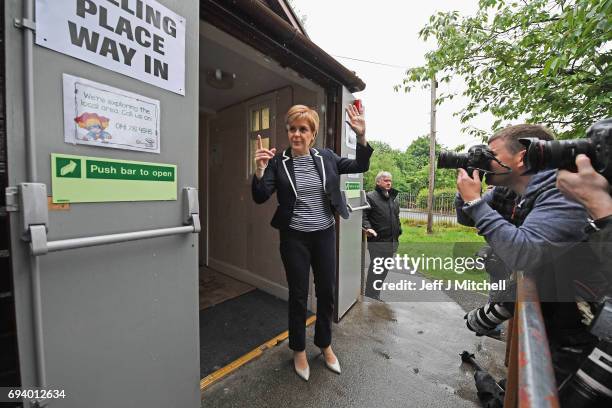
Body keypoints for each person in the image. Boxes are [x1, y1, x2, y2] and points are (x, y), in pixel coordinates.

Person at [455, 124, 601, 383]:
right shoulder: (511, 190)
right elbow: (466, 216)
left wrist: (477, 203)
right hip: (556, 311)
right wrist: (466, 189)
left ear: (522, 156)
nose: (485, 160)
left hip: (585, 330)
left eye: (492, 154)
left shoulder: (561, 190)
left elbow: (523, 253)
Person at [252, 104, 373, 381]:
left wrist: (362, 137)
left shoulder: (327, 158)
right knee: (297, 295)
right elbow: (261, 196)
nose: (296, 134)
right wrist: (259, 171)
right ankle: (298, 350)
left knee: (327, 293)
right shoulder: (277, 162)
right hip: (294, 237)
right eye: (292, 129)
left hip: (324, 235)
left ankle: (325, 344)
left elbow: (360, 165)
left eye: (302, 129)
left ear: (313, 133)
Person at [362, 171, 402, 300]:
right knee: (377, 268)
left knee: (385, 268)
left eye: (390, 180)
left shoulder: (392, 198)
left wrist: (399, 230)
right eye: (385, 180)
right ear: (378, 182)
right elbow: (364, 216)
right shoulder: (370, 197)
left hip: (391, 241)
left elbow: (396, 216)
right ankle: (371, 294)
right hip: (378, 241)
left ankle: (375, 293)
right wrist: (368, 228)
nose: (389, 182)